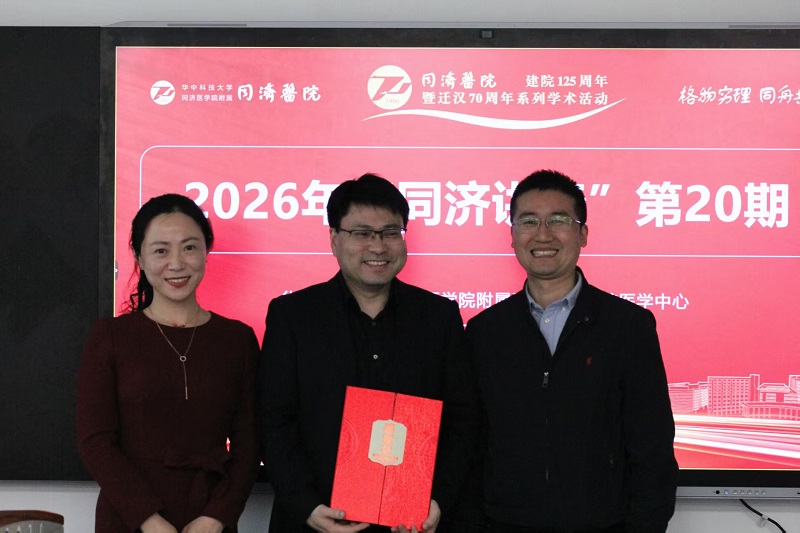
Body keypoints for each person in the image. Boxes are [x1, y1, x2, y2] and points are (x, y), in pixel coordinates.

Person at [256, 173, 479, 533]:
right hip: (315, 519)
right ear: (334, 239)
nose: (378, 247)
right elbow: (273, 419)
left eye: (390, 232)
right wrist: (306, 505)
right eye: (362, 233)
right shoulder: (293, 316)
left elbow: (462, 419)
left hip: (414, 522)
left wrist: (437, 499)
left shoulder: (438, 317)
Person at [466, 170, 678, 533]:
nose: (543, 234)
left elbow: (652, 448)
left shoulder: (628, 327)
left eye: (558, 220)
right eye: (528, 221)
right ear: (512, 236)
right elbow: (471, 444)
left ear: (582, 234)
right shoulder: (485, 331)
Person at [77, 193, 260, 533]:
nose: (176, 263)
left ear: (206, 251)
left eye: (189, 248)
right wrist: (148, 519)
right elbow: (95, 440)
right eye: (161, 251)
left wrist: (217, 516)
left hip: (210, 517)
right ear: (139, 257)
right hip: (129, 518)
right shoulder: (111, 336)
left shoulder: (238, 339)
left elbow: (249, 444)